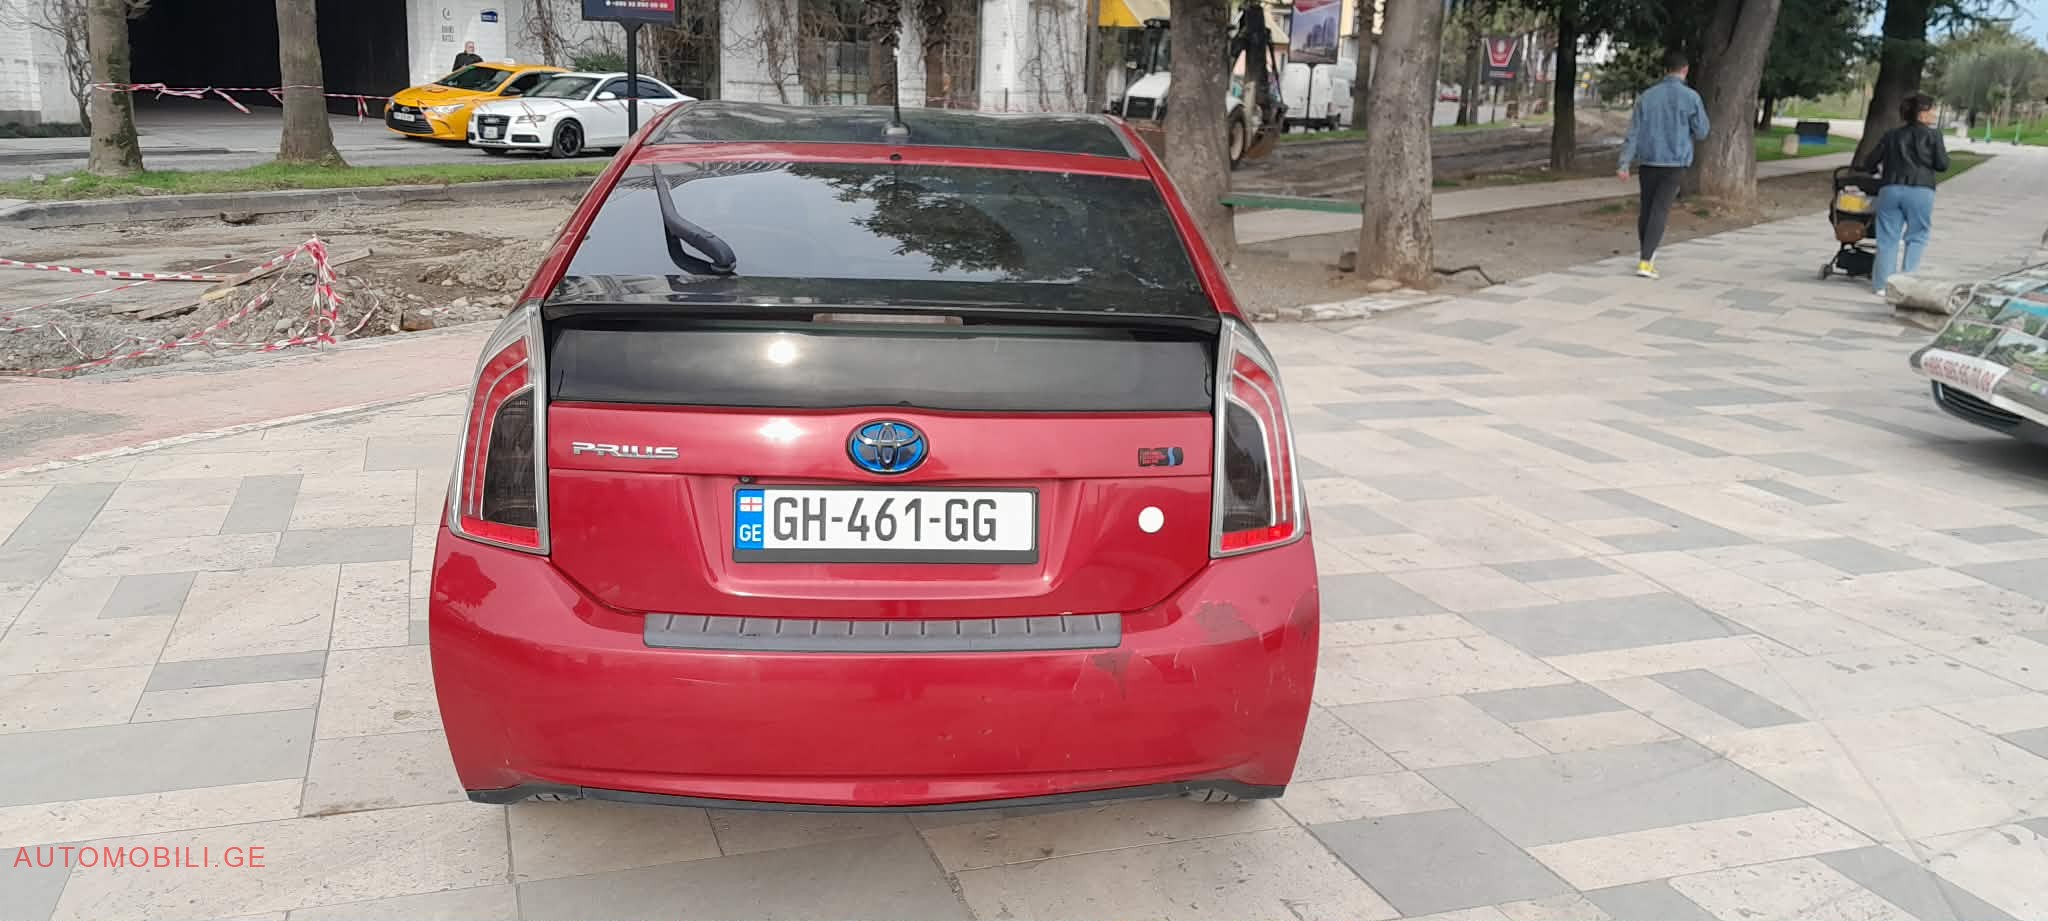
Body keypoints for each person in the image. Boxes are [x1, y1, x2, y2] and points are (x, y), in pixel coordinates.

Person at [1616, 50, 1710, 280]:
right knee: (1660, 209)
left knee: (1647, 208)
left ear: (1665, 70)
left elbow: (1633, 133)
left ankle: (1647, 255)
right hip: (1675, 162)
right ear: (1685, 70)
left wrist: (1624, 163)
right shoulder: (1691, 97)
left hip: (1649, 160)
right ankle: (1646, 261)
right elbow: (1702, 131)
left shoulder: (1647, 97)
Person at [1859, 93, 1950, 298]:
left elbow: (1869, 163)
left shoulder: (1891, 135)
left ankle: (1882, 285)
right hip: (1921, 190)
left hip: (1890, 189)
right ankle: (1907, 282)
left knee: (1887, 238)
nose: (1934, 113)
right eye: (1931, 110)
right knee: (1917, 235)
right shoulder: (1934, 136)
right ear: (1921, 113)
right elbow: (1942, 165)